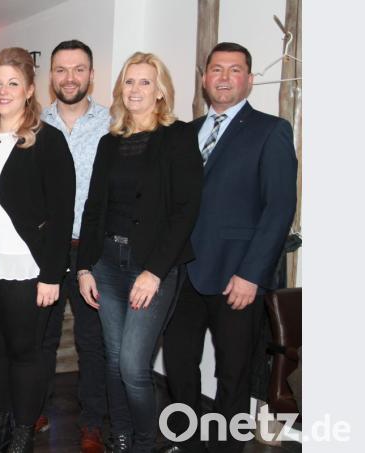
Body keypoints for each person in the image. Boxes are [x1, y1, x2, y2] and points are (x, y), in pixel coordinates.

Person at [161, 42, 297, 453]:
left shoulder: (271, 130)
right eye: (216, 69)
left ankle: (224, 448)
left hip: (236, 276)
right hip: (182, 272)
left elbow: (279, 209)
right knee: (179, 364)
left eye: (234, 70)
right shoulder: (185, 132)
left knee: (232, 372)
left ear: (249, 80)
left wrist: (252, 274)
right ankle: (186, 442)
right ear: (204, 79)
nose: (223, 77)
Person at [75, 52, 203, 453]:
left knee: (132, 365)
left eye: (144, 82)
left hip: (153, 268)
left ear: (160, 90)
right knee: (113, 360)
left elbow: (186, 210)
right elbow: (94, 209)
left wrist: (154, 271)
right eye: (129, 81)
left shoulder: (179, 137)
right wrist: (83, 269)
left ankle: (145, 442)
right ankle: (122, 435)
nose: (135, 89)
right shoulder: (109, 143)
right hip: (106, 265)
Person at [0, 47, 76, 453]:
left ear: (31, 90)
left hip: (25, 267)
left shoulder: (47, 141)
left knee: (25, 354)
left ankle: (22, 433)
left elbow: (63, 212)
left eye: (13, 83)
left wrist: (52, 274)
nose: (3, 90)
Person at [38, 39, 111, 453]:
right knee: (40, 339)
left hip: (92, 250)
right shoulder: (34, 122)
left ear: (91, 74)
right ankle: (35, 409)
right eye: (62, 70)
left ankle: (92, 423)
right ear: (51, 76)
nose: (70, 78)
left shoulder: (112, 122)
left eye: (78, 69)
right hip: (45, 250)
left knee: (92, 341)